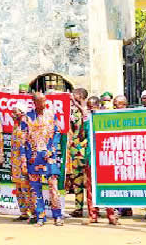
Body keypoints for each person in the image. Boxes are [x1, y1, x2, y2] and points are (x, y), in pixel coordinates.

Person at [21, 92, 62, 227]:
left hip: (49, 157)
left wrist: (52, 149)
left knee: (53, 187)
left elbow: (57, 133)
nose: (43, 103)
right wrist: (23, 161)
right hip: (33, 158)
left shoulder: (52, 115)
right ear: (34, 102)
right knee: (35, 188)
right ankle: (40, 216)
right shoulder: (27, 117)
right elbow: (22, 141)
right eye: (40, 101)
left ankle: (57, 215)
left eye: (44, 100)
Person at [81, 96, 119, 226]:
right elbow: (82, 136)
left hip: (105, 159)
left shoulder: (107, 119)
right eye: (89, 107)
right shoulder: (86, 121)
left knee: (107, 187)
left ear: (98, 106)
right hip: (90, 158)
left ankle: (111, 215)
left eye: (93, 106)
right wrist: (83, 120)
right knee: (90, 189)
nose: (91, 109)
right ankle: (93, 215)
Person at [10, 103, 35, 222]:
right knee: (18, 188)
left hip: (24, 161)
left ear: (22, 112)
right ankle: (23, 212)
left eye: (15, 112)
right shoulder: (16, 125)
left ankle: (32, 213)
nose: (13, 114)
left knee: (26, 188)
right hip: (15, 162)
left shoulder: (26, 124)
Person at [67, 88, 88, 218]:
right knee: (77, 181)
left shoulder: (89, 110)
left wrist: (77, 104)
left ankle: (94, 209)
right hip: (75, 150)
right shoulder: (73, 112)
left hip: (86, 150)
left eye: (74, 95)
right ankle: (78, 208)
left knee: (90, 181)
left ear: (79, 96)